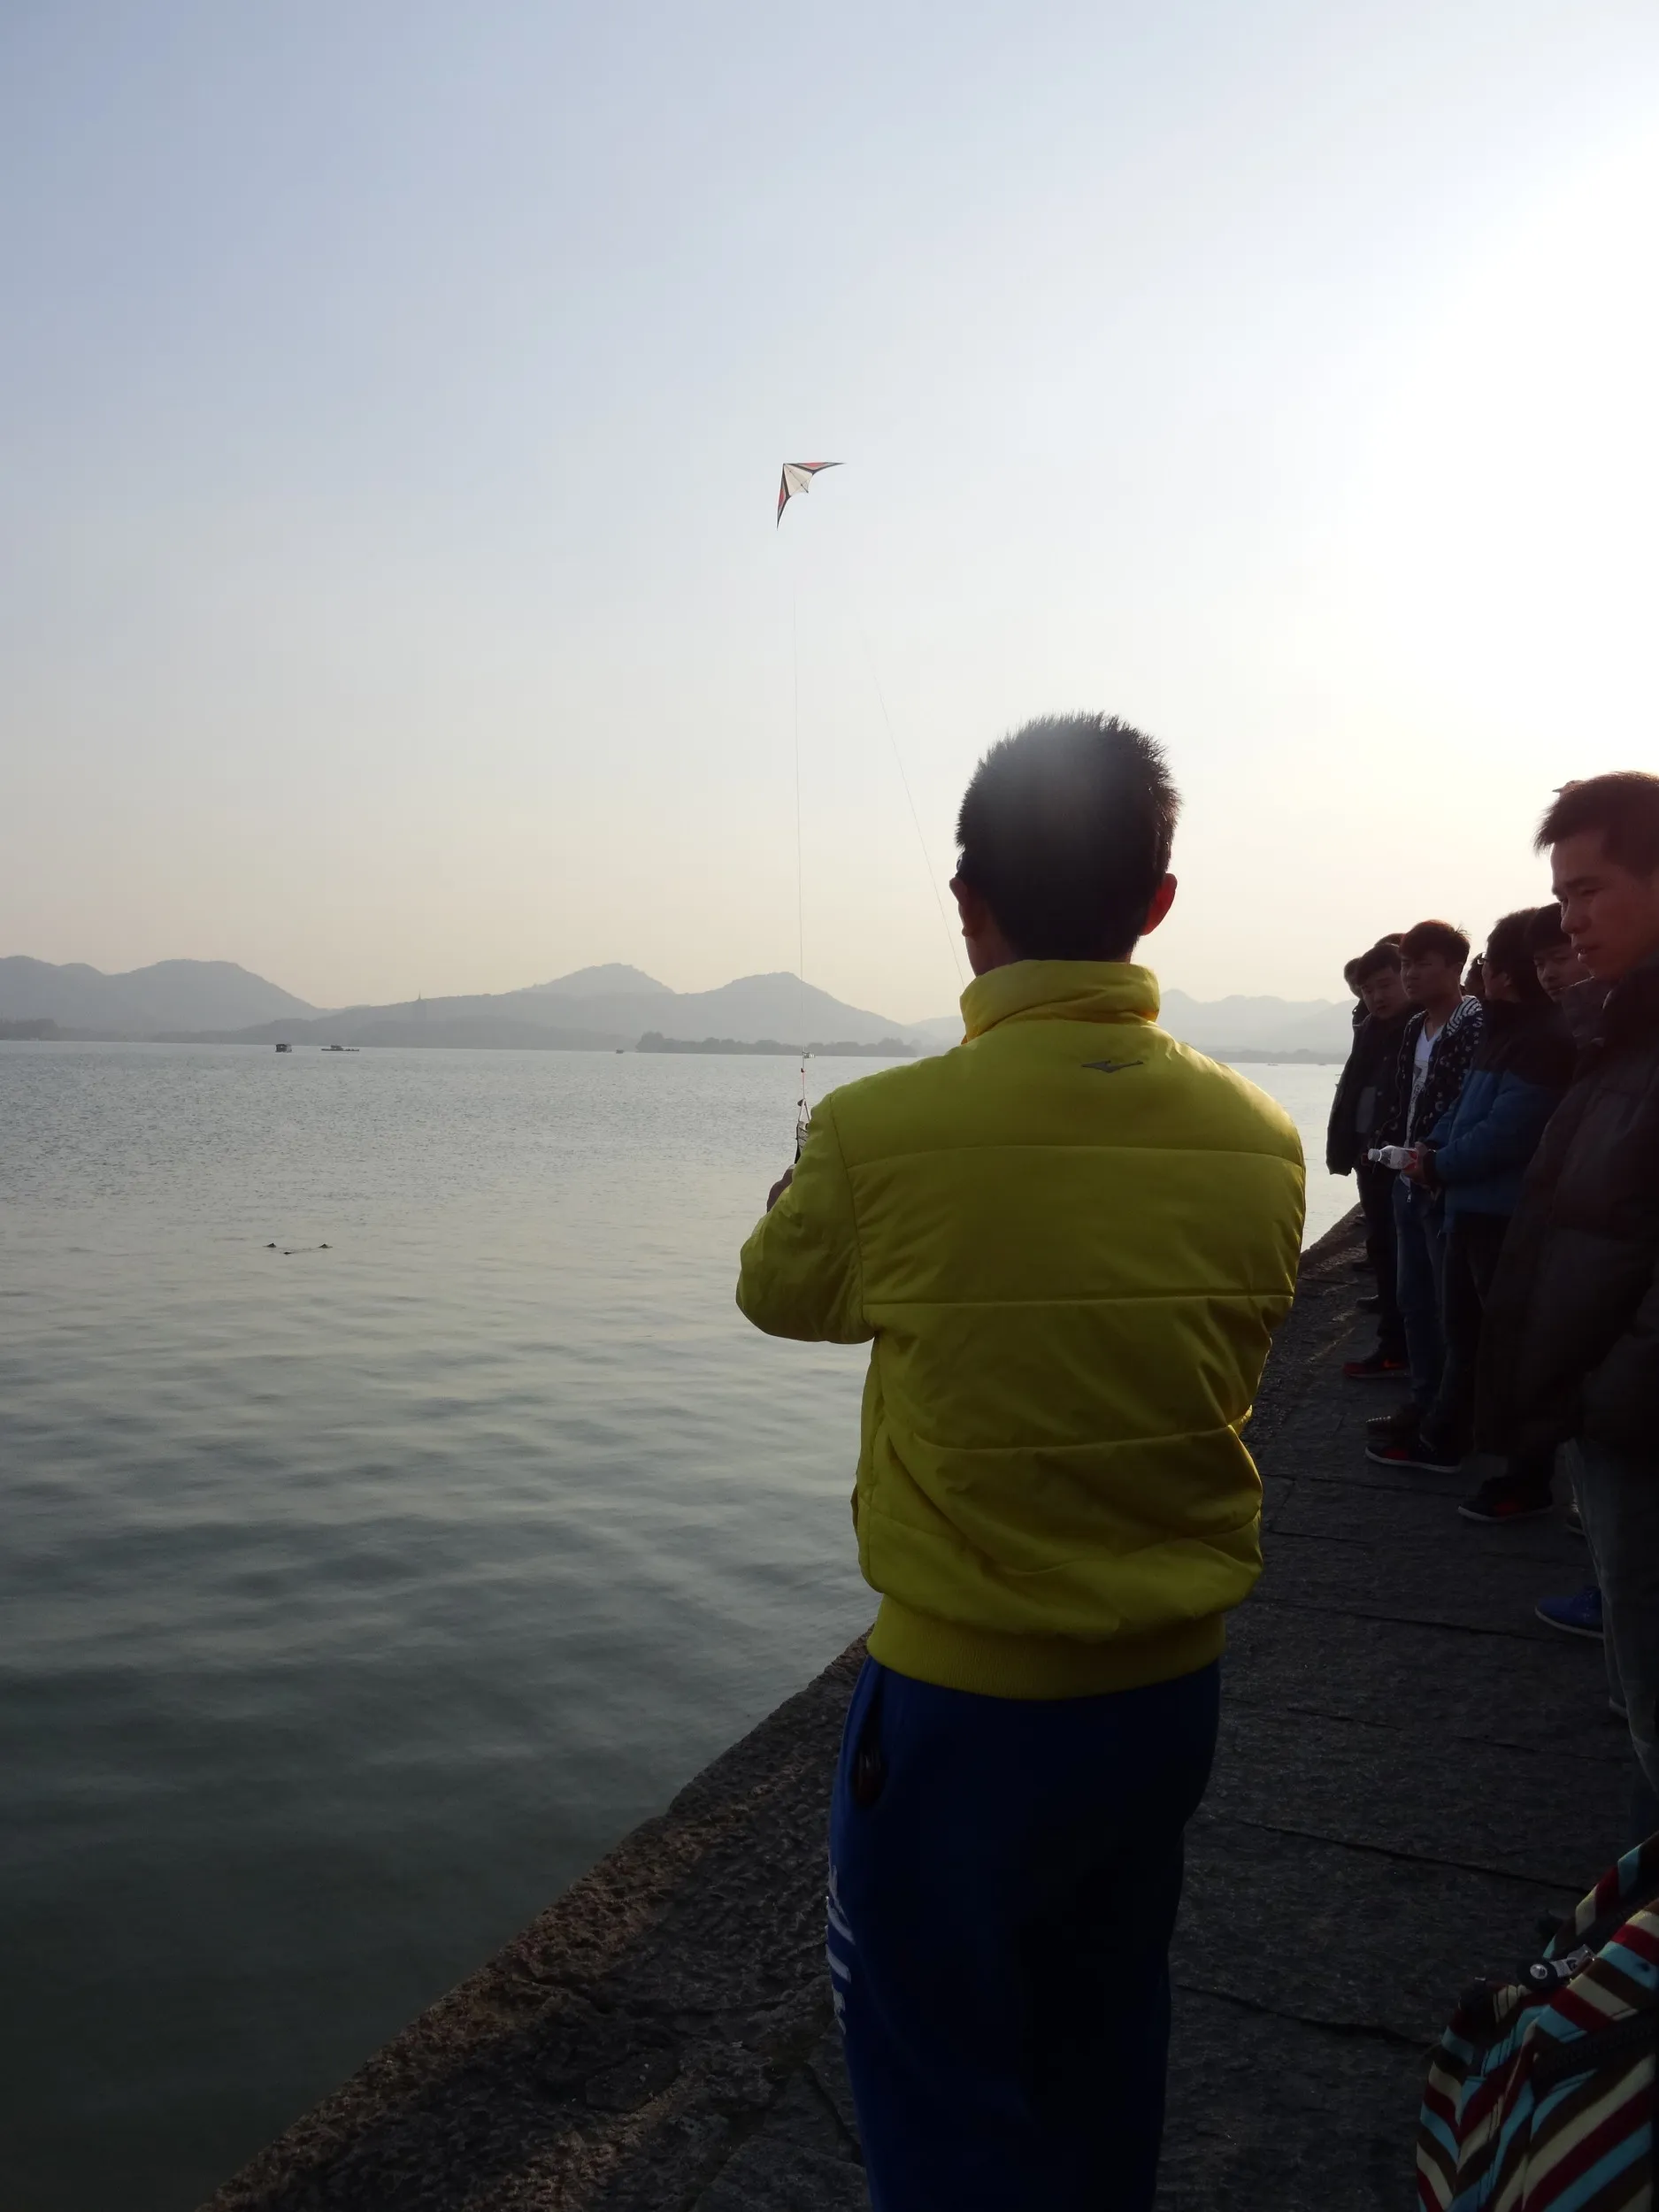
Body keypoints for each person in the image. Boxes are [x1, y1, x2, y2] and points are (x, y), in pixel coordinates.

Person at [735, 713, 1304, 2212]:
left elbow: (781, 1297)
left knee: (936, 2086)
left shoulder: (879, 1132)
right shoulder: (1261, 1140)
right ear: (1158, 902)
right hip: (1166, 1698)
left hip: (959, 1712)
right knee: (1109, 2039)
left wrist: (807, 1186)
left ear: (965, 903)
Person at [1475, 773, 1659, 1839]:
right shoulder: (1618, 1029)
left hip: (1638, 1426)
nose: (1571, 919)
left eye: (1590, 891)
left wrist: (1610, 1391)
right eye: (1561, 895)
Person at [1376, 910, 1572, 1510]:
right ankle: (1448, 1434)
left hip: (1502, 1214)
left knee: (1510, 1345)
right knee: (1463, 1332)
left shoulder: (1543, 1038)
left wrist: (1436, 1163)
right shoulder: (1507, 1030)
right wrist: (1430, 1147)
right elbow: (1465, 1108)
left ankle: (1524, 1474)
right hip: (1469, 1207)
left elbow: (1508, 1130)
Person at [1365, 922, 1483, 1471]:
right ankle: (1423, 1399)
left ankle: (1449, 1415)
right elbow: (1403, 1097)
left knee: (1446, 1303)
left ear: (1454, 967)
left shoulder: (1474, 1024)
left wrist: (1431, 1158)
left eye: (1422, 963)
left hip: (1443, 1179)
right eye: (1406, 964)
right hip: (1406, 1177)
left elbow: (1466, 1104)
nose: (1410, 974)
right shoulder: (1415, 1026)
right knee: (1414, 1298)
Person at [1326, 941, 1411, 1379]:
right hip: (1370, 1156)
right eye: (1366, 989)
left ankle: (1398, 1347)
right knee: (1383, 1245)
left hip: (1402, 1162)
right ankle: (1395, 1341)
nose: (1376, 996)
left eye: (1384, 984)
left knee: (1403, 1253)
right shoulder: (1372, 1029)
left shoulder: (1416, 1029)